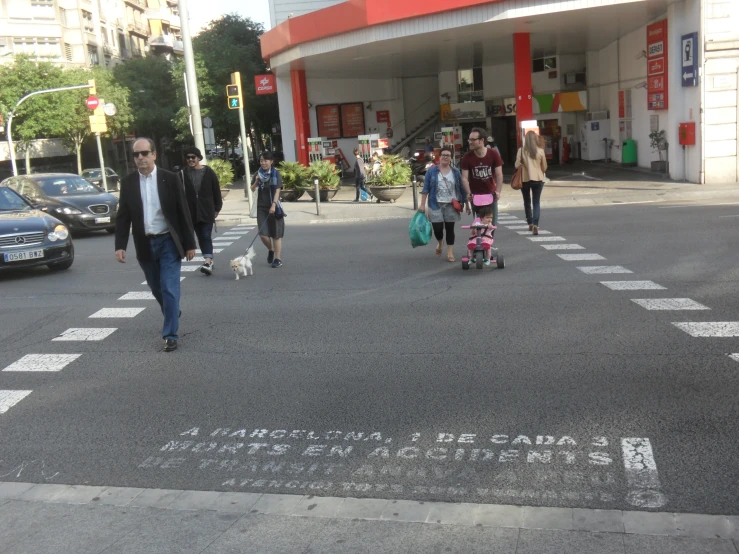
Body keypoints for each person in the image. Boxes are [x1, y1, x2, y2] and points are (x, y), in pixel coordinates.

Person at [114, 138, 196, 353]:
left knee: (169, 287)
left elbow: (183, 212)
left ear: (154, 155)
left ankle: (170, 335)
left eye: (144, 153)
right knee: (156, 287)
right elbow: (123, 216)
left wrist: (189, 244)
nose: (140, 158)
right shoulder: (129, 182)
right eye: (136, 155)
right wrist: (120, 245)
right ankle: (172, 311)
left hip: (168, 241)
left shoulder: (170, 179)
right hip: (144, 243)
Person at [419, 146, 467, 262]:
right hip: (435, 204)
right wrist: (422, 205)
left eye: (448, 155)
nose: (445, 157)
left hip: (451, 204)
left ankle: (450, 253)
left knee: (450, 229)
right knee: (437, 229)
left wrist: (467, 203)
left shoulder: (455, 172)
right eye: (443, 155)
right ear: (439, 157)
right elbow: (426, 189)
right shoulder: (432, 171)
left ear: (451, 158)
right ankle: (440, 242)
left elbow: (461, 189)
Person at [180, 146, 223, 275]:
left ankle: (208, 261)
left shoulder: (208, 172)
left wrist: (217, 208)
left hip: (207, 210)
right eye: (188, 158)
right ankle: (208, 259)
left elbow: (216, 190)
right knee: (200, 236)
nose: (190, 160)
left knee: (205, 235)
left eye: (193, 157)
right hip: (191, 212)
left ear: (198, 158)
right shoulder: (182, 174)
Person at [461, 127, 504, 225]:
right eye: (469, 140)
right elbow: (464, 178)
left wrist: (498, 191)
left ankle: (488, 240)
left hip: (490, 194)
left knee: (491, 224)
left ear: (482, 140)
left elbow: (499, 175)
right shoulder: (467, 157)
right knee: (479, 225)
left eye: (473, 140)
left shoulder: (493, 154)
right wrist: (468, 193)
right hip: (475, 196)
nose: (470, 142)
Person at [250, 151, 285, 268]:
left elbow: (277, 190)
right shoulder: (257, 173)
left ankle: (277, 259)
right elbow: (252, 189)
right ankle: (271, 249)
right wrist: (257, 181)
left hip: (274, 207)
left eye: (265, 160)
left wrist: (274, 205)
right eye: (261, 160)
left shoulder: (276, 174)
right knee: (263, 234)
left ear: (271, 162)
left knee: (276, 234)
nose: (263, 163)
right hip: (261, 207)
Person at [515, 131, 548, 235]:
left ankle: (529, 223)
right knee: (536, 202)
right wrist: (539, 171)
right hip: (538, 179)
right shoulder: (540, 151)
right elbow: (545, 167)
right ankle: (535, 224)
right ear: (535, 139)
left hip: (525, 179)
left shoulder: (521, 150)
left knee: (527, 201)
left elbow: (516, 165)